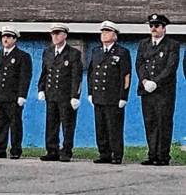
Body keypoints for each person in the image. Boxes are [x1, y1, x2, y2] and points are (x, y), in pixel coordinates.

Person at [136, 13, 180, 166]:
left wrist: (156, 82)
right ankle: (152, 154)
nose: (153, 29)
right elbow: (140, 63)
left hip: (163, 92)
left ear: (163, 28)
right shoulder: (144, 44)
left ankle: (163, 156)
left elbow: (171, 67)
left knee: (163, 122)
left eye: (157, 26)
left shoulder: (172, 45)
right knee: (150, 122)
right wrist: (145, 80)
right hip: (147, 90)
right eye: (151, 26)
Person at [0, 26, 32, 160]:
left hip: (13, 97)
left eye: (9, 37)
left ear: (15, 39)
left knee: (15, 124)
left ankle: (16, 150)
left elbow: (25, 77)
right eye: (4, 37)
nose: (5, 39)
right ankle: (0, 149)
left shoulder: (22, 56)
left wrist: (22, 95)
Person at [88, 21, 131, 164]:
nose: (103, 34)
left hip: (113, 97)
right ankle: (104, 153)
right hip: (98, 95)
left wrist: (123, 96)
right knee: (100, 127)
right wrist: (90, 93)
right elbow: (91, 73)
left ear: (115, 36)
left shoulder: (122, 52)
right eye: (102, 32)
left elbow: (126, 75)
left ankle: (116, 154)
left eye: (107, 32)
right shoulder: (96, 51)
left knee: (114, 128)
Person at [37, 23, 83, 162]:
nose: (55, 36)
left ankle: (66, 151)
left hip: (66, 95)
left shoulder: (73, 53)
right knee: (51, 123)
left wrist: (75, 95)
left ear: (65, 35)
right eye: (53, 34)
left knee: (67, 125)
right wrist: (41, 88)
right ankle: (52, 150)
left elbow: (77, 77)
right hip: (51, 94)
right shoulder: (48, 52)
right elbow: (44, 72)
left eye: (58, 33)